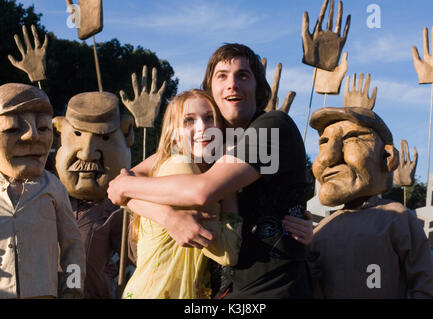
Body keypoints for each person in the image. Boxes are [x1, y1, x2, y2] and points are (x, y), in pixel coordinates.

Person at [108, 43, 314, 299]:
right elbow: (129, 179)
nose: (232, 84)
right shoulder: (209, 144)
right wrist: (165, 216)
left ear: (258, 88)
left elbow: (201, 191)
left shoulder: (273, 127)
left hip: (273, 289)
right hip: (221, 291)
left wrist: (124, 189)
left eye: (243, 75)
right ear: (210, 90)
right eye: (222, 76)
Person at [307, 105, 433, 298]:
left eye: (351, 138)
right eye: (324, 142)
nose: (328, 157)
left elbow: (426, 288)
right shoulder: (321, 231)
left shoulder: (397, 218)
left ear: (387, 156)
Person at [122, 89, 242, 299]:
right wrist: (230, 178)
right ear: (174, 132)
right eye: (189, 121)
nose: (202, 128)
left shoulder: (170, 165)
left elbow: (121, 187)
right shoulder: (183, 168)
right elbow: (228, 251)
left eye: (209, 118)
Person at [0, 83, 85, 299]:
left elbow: (72, 246)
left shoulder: (53, 187)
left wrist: (73, 287)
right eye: (12, 128)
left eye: (44, 128)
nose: (33, 137)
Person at [52, 92, 135, 298]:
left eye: (104, 137)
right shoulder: (44, 195)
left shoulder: (115, 211)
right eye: (78, 135)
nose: (87, 154)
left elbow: (136, 254)